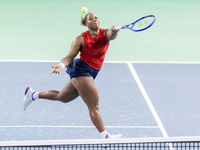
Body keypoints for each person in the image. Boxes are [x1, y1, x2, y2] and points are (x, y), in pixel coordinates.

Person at [23, 12, 122, 139]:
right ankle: (105, 137)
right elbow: (69, 57)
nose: (94, 20)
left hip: (92, 71)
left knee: (62, 97)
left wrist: (114, 31)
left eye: (96, 18)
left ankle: (33, 94)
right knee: (94, 105)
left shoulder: (105, 33)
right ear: (86, 23)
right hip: (81, 71)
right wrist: (60, 65)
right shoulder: (80, 39)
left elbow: (112, 35)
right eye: (91, 19)